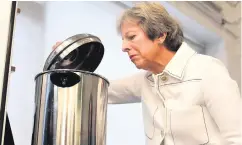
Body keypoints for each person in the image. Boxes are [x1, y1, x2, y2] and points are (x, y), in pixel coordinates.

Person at [53, 2, 242, 145]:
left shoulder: (207, 70)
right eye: (124, 39)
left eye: (132, 37)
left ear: (160, 35)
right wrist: (69, 63)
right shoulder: (145, 81)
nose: (124, 47)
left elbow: (237, 138)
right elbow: (93, 89)